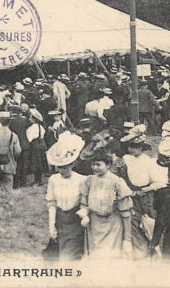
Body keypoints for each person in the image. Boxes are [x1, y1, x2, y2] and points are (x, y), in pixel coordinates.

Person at [118, 126, 167, 259]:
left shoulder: (148, 162)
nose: (130, 149)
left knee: (149, 223)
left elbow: (160, 182)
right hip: (132, 195)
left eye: (133, 146)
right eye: (129, 146)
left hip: (147, 196)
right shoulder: (127, 159)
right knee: (133, 223)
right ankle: (140, 252)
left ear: (141, 147)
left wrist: (144, 190)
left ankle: (156, 251)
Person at [77, 149, 133, 259]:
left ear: (108, 165)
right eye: (93, 165)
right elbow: (84, 202)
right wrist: (84, 215)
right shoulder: (89, 181)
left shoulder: (117, 182)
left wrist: (127, 239)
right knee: (95, 258)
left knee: (110, 258)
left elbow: (126, 213)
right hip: (94, 225)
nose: (95, 168)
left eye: (98, 165)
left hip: (113, 225)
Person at [45, 132, 86, 260]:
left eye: (64, 167)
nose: (61, 171)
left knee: (69, 256)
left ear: (72, 165)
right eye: (59, 167)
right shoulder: (53, 179)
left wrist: (84, 213)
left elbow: (86, 203)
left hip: (76, 222)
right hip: (60, 220)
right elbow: (52, 204)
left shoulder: (82, 180)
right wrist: (51, 225)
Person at [25, 109, 47, 187]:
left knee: (35, 162)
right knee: (40, 162)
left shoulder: (32, 128)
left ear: (34, 119)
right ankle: (39, 179)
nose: (29, 119)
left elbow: (29, 138)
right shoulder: (41, 127)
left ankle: (36, 181)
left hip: (35, 145)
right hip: (41, 144)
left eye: (30, 118)